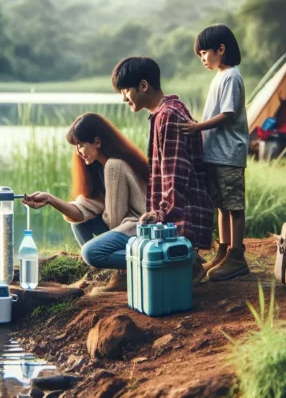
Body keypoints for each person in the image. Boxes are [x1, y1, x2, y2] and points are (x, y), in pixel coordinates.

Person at [111, 56, 213, 284]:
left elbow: (175, 175)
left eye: (125, 90)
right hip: (176, 218)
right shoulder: (167, 110)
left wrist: (160, 215)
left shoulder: (167, 116)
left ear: (143, 86)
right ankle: (183, 262)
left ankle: (188, 262)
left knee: (95, 253)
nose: (124, 99)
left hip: (180, 221)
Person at [21, 112, 148, 292]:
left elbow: (114, 221)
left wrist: (99, 213)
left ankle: (134, 267)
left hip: (138, 229)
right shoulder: (100, 169)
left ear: (97, 142)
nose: (79, 152)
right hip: (124, 229)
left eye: (81, 145)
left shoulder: (114, 166)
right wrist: (49, 199)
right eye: (76, 147)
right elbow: (82, 211)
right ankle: (113, 271)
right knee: (78, 223)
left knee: (89, 252)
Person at [179, 24, 250, 281]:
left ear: (221, 49)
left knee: (234, 206)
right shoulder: (220, 76)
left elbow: (228, 114)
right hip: (215, 153)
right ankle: (223, 253)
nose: (202, 59)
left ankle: (237, 256)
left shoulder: (231, 76)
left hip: (228, 154)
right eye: (199, 56)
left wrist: (198, 126)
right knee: (220, 205)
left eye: (204, 53)